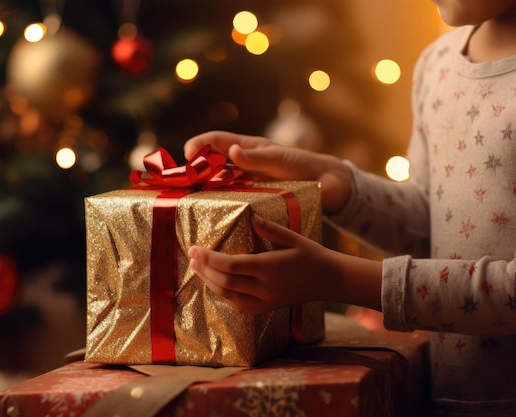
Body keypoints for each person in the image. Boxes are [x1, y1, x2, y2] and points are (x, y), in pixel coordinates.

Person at [184, 1, 516, 416]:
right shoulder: (439, 63)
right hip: (444, 398)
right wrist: (335, 183)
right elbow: (433, 226)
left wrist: (339, 278)